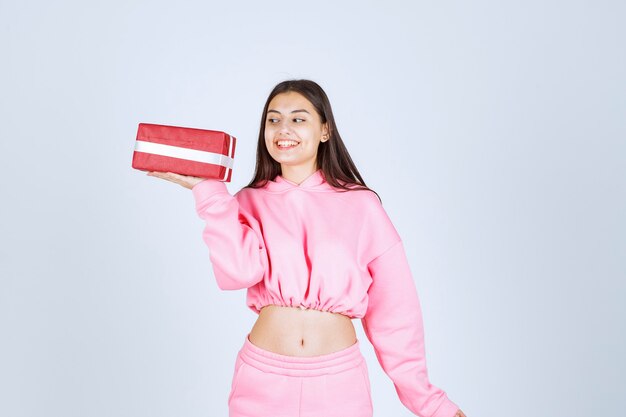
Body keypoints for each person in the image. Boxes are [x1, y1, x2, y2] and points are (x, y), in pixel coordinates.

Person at [147, 79, 466, 417]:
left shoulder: (362, 206)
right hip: (261, 381)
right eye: (273, 119)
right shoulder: (246, 202)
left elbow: (396, 312)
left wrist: (430, 403)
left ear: (325, 130)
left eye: (298, 119)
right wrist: (209, 194)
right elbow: (237, 273)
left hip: (339, 385)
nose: (283, 129)